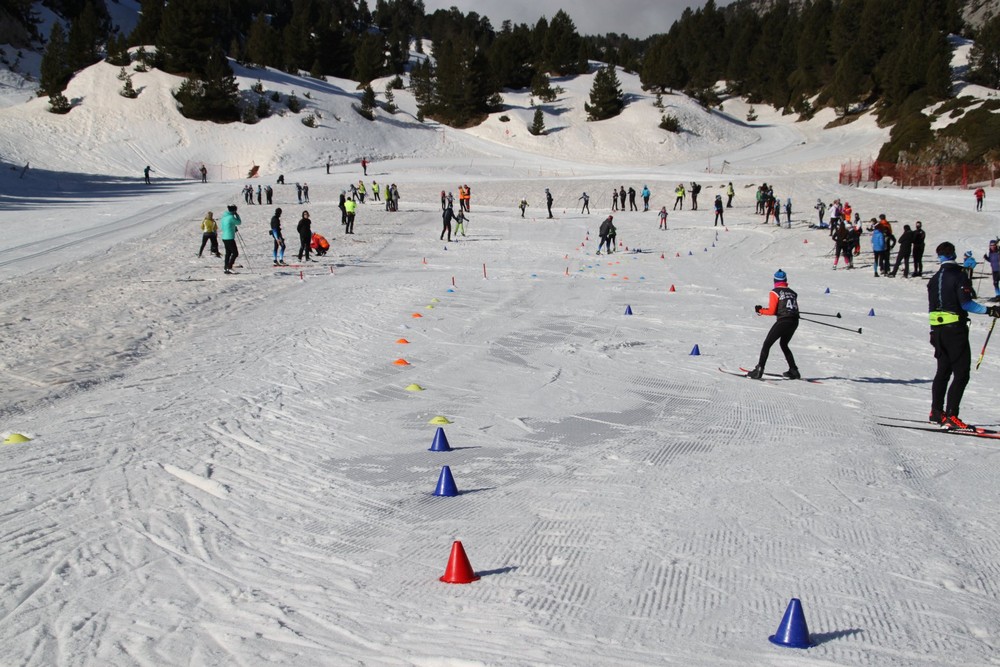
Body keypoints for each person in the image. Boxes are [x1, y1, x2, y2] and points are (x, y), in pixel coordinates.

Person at [927, 241, 1000, 429]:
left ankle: (936, 411)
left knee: (943, 371)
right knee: (961, 373)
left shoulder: (934, 278)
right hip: (954, 329)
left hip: (937, 330)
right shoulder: (959, 276)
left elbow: (932, 306)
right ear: (953, 254)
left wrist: (933, 330)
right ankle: (952, 415)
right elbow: (966, 304)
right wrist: (990, 310)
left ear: (939, 256)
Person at [747, 269, 800, 380]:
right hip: (794, 321)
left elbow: (772, 311)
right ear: (785, 280)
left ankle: (759, 370)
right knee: (784, 344)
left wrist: (760, 310)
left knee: (767, 344)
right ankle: (793, 370)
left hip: (783, 321)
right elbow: (787, 308)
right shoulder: (793, 293)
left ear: (775, 281)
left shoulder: (775, 292)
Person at [219, 204, 241, 274]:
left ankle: (226, 267)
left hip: (224, 237)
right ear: (234, 211)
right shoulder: (231, 217)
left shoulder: (224, 217)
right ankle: (229, 267)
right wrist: (237, 215)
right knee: (235, 253)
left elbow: (223, 227)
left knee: (228, 253)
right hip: (230, 237)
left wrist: (232, 227)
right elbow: (239, 222)